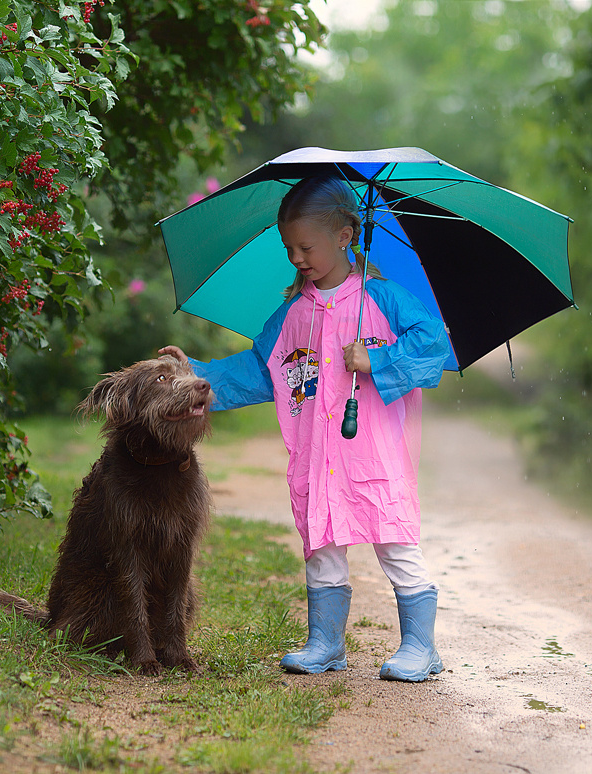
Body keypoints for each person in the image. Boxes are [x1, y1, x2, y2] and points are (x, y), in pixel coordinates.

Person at [160, 175, 450, 682]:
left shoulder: (385, 300)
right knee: (322, 545)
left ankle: (420, 647)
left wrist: (378, 360)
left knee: (395, 542)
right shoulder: (293, 314)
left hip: (374, 455)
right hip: (318, 455)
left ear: (344, 236)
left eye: (306, 246)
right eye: (289, 248)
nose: (296, 257)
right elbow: (259, 369)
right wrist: (196, 376)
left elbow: (432, 349)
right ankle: (325, 642)